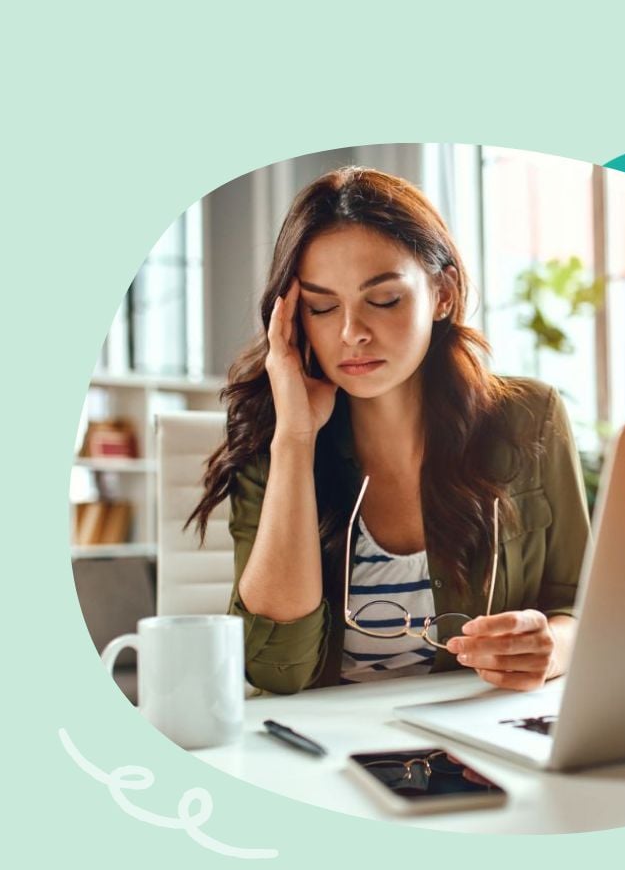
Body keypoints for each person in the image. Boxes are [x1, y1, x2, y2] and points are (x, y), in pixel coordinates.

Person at [188, 166, 590, 694]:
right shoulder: (275, 438)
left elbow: (583, 604)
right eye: (322, 307)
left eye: (383, 300)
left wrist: (552, 647)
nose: (352, 333)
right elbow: (275, 668)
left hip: (478, 739)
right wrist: (294, 440)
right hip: (323, 755)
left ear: (442, 293)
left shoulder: (528, 417)